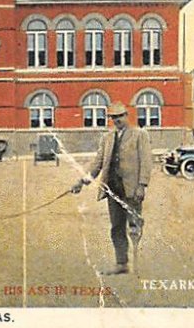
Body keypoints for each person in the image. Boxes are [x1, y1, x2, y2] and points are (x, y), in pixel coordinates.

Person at [71, 101, 152, 275]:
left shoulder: (140, 135)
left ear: (126, 116)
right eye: (113, 117)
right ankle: (121, 263)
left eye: (119, 116)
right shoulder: (107, 138)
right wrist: (82, 181)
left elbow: (146, 162)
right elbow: (97, 163)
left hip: (132, 190)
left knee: (134, 225)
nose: (116, 120)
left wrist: (142, 185)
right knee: (116, 227)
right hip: (112, 190)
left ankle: (137, 265)